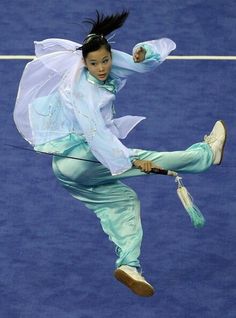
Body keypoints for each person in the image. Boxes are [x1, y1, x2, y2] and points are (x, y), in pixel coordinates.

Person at [13, 11, 227, 297]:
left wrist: (143, 52)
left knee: (124, 201)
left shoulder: (107, 64)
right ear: (83, 63)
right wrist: (128, 160)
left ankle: (129, 265)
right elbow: (97, 135)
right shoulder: (82, 94)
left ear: (109, 55)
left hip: (69, 175)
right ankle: (206, 154)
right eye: (94, 63)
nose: (101, 68)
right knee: (151, 157)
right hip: (81, 158)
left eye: (105, 60)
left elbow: (142, 66)